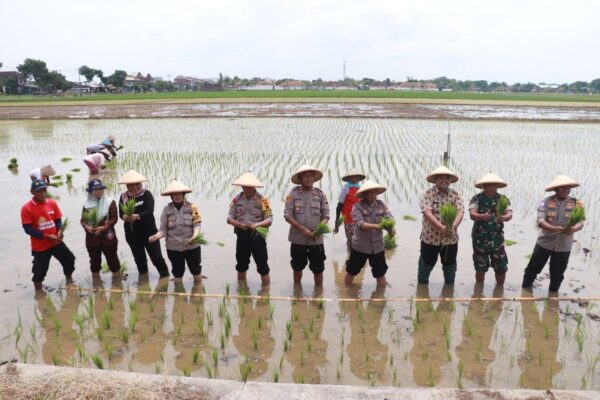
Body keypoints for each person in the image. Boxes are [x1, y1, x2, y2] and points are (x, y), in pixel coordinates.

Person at [522, 174, 584, 293]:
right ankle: (524, 292)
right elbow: (540, 221)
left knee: (558, 274)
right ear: (556, 189)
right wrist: (555, 229)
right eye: (562, 188)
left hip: (564, 245)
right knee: (532, 269)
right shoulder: (545, 202)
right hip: (544, 242)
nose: (566, 190)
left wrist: (574, 229)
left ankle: (552, 297)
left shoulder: (577, 204)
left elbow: (581, 222)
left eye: (568, 187)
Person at [21, 179, 76, 290]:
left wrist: (60, 231)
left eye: (44, 190)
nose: (42, 193)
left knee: (69, 259)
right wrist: (46, 236)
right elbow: (28, 229)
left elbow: (58, 221)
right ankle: (38, 291)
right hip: (40, 247)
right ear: (32, 192)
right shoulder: (26, 208)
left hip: (56, 242)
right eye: (39, 191)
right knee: (39, 272)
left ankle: (69, 280)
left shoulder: (52, 203)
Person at [118, 169, 170, 278]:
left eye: (135, 184)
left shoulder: (146, 194)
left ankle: (165, 277)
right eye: (130, 185)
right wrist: (124, 217)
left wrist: (137, 216)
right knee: (139, 259)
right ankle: (143, 280)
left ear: (139, 184)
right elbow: (121, 213)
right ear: (126, 185)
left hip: (149, 232)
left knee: (156, 258)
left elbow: (149, 211)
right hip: (132, 235)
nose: (133, 187)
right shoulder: (123, 197)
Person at [418, 165, 465, 285]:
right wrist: (441, 227)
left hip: (450, 239)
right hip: (430, 238)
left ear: (450, 180)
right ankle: (422, 290)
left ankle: (449, 290)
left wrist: (453, 227)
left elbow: (460, 211)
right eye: (440, 178)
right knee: (426, 264)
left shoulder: (455, 194)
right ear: (435, 180)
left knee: (450, 265)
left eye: (447, 178)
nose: (444, 181)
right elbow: (427, 212)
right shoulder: (427, 194)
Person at [284, 165, 330, 286]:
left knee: (318, 268)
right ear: (300, 178)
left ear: (314, 178)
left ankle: (318, 294)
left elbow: (326, 216)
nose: (309, 178)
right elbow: (287, 215)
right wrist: (302, 228)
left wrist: (318, 230)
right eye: (305, 176)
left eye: (311, 176)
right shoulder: (293, 194)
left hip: (316, 240)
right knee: (297, 267)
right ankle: (297, 292)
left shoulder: (320, 194)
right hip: (298, 239)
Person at [149, 180, 202, 283]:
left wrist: (195, 236)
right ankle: (178, 295)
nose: (177, 196)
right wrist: (156, 236)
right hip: (174, 248)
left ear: (183, 194)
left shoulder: (193, 207)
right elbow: (163, 230)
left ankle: (198, 294)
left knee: (196, 270)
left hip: (192, 246)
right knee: (177, 272)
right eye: (174, 194)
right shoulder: (166, 210)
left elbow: (197, 225)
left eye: (179, 193)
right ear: (171, 196)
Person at [344, 180, 394, 287]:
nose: (372, 194)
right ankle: (346, 294)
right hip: (360, 247)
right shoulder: (357, 206)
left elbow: (390, 218)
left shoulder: (382, 205)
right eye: (369, 192)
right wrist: (378, 226)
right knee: (352, 270)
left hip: (377, 247)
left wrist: (390, 227)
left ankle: (380, 297)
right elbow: (360, 224)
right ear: (364, 194)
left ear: (377, 193)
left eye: (374, 192)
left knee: (380, 273)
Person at [226, 172, 273, 286]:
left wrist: (257, 225)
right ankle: (242, 291)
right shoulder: (236, 200)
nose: (246, 188)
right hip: (242, 236)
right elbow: (229, 218)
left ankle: (266, 293)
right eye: (244, 186)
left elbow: (269, 219)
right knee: (241, 266)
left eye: (249, 186)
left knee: (263, 266)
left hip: (258, 236)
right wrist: (239, 225)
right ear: (241, 186)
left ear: (254, 186)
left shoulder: (263, 200)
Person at [469, 173, 513, 285]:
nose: (491, 187)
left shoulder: (502, 199)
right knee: (480, 266)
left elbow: (509, 213)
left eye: (494, 185)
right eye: (488, 185)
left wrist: (506, 217)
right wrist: (481, 216)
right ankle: (479, 291)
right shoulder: (477, 198)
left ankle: (499, 290)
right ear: (484, 186)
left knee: (501, 266)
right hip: (480, 239)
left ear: (497, 186)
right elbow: (472, 214)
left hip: (497, 239)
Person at [81, 179, 121, 277]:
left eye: (101, 189)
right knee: (94, 262)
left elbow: (114, 218)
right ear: (91, 192)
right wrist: (87, 227)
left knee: (113, 261)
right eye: (96, 190)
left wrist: (104, 227)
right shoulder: (86, 205)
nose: (99, 192)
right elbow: (83, 220)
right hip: (92, 238)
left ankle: (117, 283)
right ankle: (96, 283)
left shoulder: (110, 202)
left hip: (108, 238)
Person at [334, 168, 366, 252]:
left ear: (359, 178)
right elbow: (339, 205)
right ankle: (350, 257)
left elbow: (365, 204)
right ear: (348, 179)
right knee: (351, 239)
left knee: (361, 238)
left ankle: (359, 258)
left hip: (360, 218)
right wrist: (336, 222)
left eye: (355, 177)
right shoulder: (346, 188)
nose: (353, 179)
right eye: (351, 177)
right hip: (348, 218)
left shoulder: (361, 188)